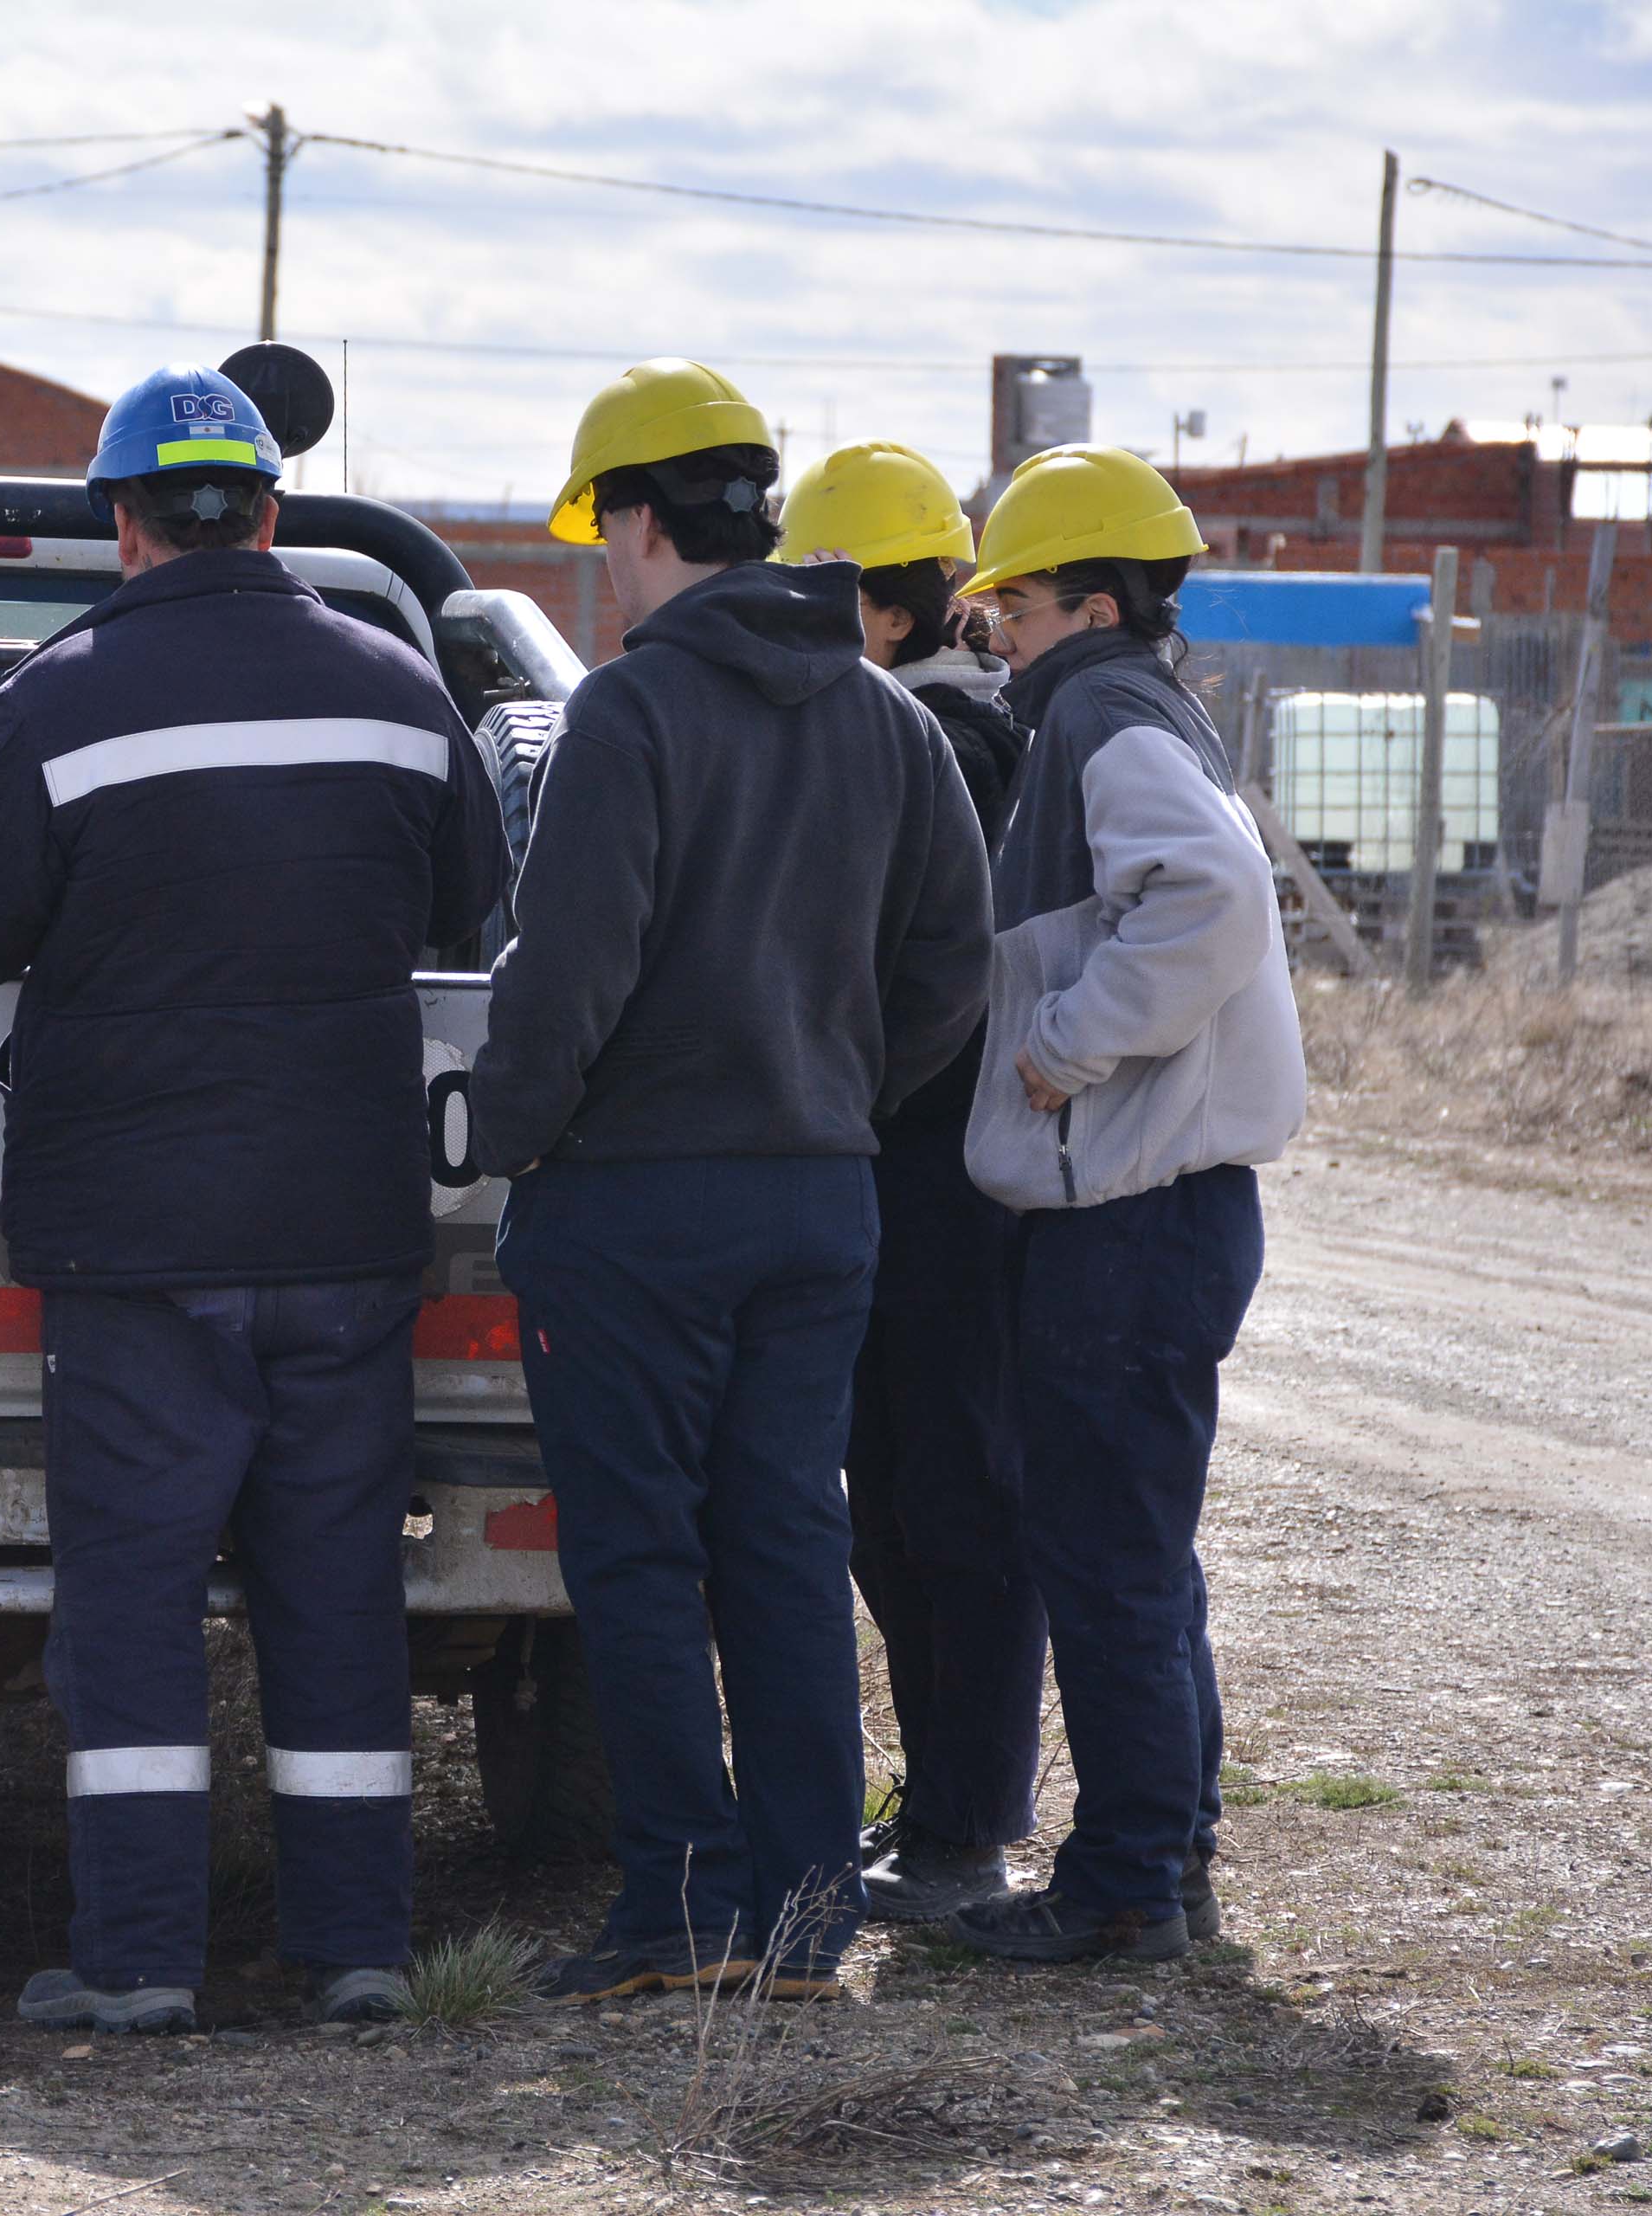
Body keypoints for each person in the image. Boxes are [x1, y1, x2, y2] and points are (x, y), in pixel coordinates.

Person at [0, 364, 506, 2036]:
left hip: (140, 1243)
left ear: (121, 520)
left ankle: (143, 1961)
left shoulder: (62, 699)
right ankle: (361, 1950)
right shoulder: (395, 687)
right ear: (273, 509)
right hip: (344, 1229)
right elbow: (469, 900)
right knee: (333, 1596)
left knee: (136, 1601)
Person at [468, 363, 993, 2003]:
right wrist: (839, 1091)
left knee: (636, 1559)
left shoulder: (628, 713)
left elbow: (568, 970)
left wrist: (509, 1129)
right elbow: (953, 967)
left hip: (631, 1202)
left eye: (601, 531)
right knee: (782, 1545)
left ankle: (678, 1908)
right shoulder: (890, 717)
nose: (602, 564)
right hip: (820, 1196)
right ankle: (801, 1915)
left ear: (634, 518)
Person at [944, 445, 1307, 1964]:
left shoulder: (1097, 711)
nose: (1000, 632)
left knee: (1105, 1553)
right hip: (1164, 1213)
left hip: (1133, 1220)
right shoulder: (1140, 703)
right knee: (1137, 1548)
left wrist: (1062, 1045)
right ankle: (1169, 1843)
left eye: (1015, 602)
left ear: (1089, 597)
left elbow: (1215, 897)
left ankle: (1123, 1888)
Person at [774, 441, 1043, 1924]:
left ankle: (968, 1828)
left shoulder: (955, 742)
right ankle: (945, 1801)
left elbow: (929, 978)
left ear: (887, 610)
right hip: (906, 1171)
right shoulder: (934, 725)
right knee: (896, 1499)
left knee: (955, 1500)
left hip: (945, 1181)